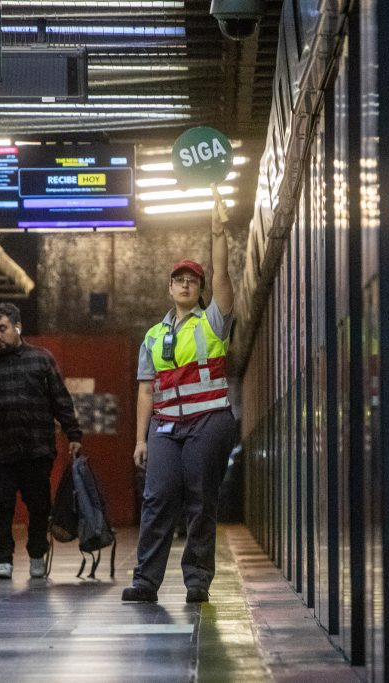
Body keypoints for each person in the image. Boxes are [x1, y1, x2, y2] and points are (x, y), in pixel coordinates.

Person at [122, 197, 237, 604]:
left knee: (200, 499)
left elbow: (223, 275)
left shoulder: (214, 321)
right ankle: (145, 582)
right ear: (170, 288)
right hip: (166, 427)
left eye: (192, 280)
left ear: (200, 289)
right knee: (157, 498)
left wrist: (218, 232)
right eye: (179, 280)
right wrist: (140, 439)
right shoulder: (154, 336)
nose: (186, 284)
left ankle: (197, 581)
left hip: (209, 420)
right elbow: (145, 389)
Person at [0, 302, 83, 580]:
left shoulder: (42, 359)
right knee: (1, 505)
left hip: (37, 448)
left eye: (2, 328)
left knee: (39, 505)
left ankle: (37, 553)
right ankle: (3, 559)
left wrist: (73, 434)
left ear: (17, 327)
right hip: (0, 452)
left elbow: (60, 399)